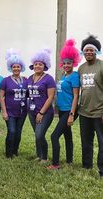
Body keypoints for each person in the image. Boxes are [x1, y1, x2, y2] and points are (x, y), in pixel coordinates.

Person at [47, 39, 81, 170]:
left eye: (69, 63)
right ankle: (69, 160)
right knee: (67, 135)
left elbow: (76, 96)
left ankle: (55, 164)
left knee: (54, 136)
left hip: (69, 110)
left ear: (74, 63)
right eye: (65, 63)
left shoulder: (74, 76)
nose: (66, 65)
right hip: (62, 109)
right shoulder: (63, 76)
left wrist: (71, 114)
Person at [78, 35, 103, 178]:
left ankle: (102, 171)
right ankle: (87, 166)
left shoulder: (101, 65)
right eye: (85, 50)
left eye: (91, 50)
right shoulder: (81, 69)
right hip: (84, 112)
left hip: (99, 112)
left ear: (96, 51)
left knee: (102, 142)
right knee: (86, 141)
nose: (88, 52)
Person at [27, 48, 56, 163]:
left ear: (45, 65)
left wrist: (41, 112)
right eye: (35, 64)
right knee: (36, 134)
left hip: (45, 112)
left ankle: (44, 157)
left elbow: (50, 97)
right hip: (32, 112)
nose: (37, 66)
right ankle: (39, 155)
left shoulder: (49, 79)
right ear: (32, 65)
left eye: (40, 64)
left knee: (40, 134)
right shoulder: (29, 78)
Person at [0, 49, 27, 158]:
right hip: (9, 111)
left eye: (18, 66)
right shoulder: (5, 81)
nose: (16, 68)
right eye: (14, 67)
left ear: (21, 67)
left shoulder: (26, 80)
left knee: (18, 132)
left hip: (22, 111)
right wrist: (4, 112)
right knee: (11, 131)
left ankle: (15, 151)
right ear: (10, 68)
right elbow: (1, 96)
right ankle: (8, 153)